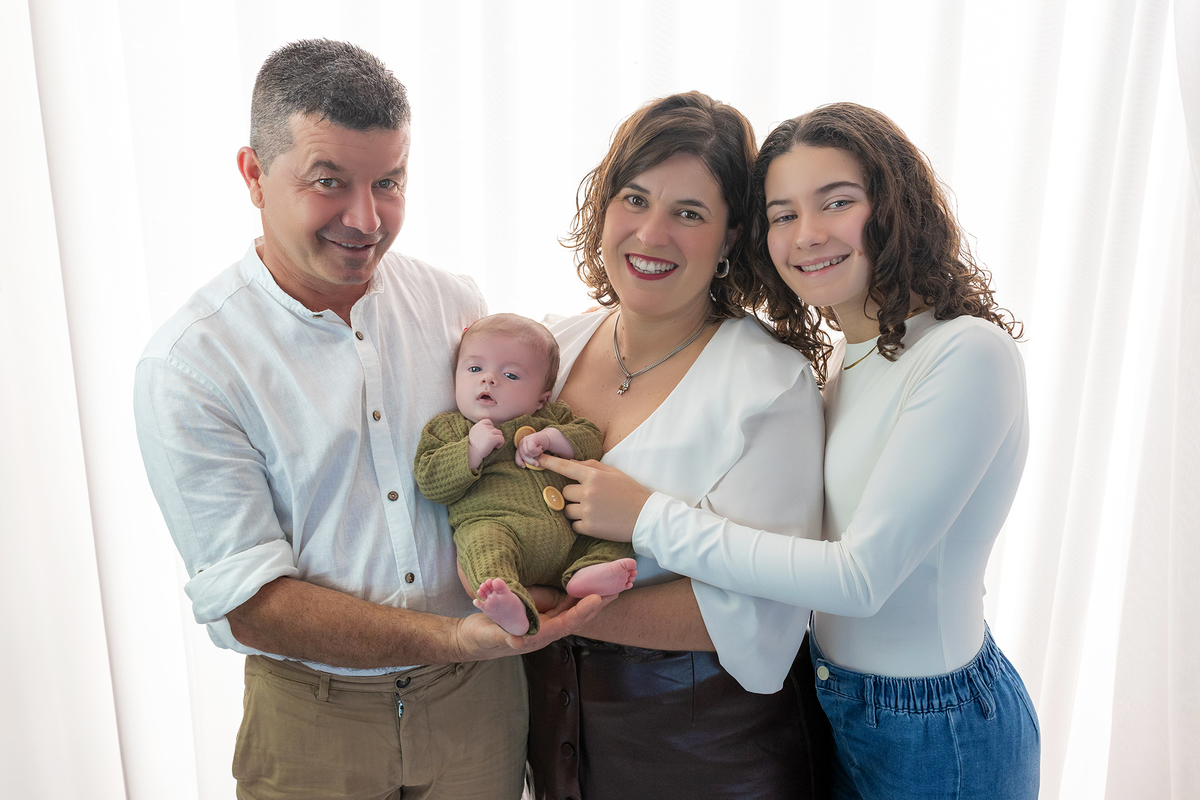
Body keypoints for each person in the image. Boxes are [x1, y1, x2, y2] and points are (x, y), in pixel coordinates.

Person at [133, 40, 601, 800]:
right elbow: (253, 605)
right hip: (311, 718)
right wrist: (453, 635)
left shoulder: (456, 304)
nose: (366, 219)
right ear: (253, 175)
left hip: (477, 705)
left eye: (389, 181)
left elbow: (510, 456)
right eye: (329, 182)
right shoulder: (191, 366)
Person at [543, 102, 1041, 799]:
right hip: (837, 700)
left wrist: (647, 516)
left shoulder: (966, 353)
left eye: (835, 202)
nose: (807, 235)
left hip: (935, 721)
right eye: (783, 213)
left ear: (895, 206)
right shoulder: (850, 353)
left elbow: (862, 580)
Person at [521, 92, 833, 800]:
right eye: (634, 199)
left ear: (730, 239)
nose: (651, 233)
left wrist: (546, 610)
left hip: (706, 749)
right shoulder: (554, 348)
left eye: (689, 214)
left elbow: (768, 607)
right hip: (555, 735)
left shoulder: (768, 385)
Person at [414, 313, 637, 636]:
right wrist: (471, 451)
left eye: (510, 375)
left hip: (570, 531)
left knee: (618, 530)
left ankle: (589, 571)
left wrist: (552, 439)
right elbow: (431, 482)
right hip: (499, 527)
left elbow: (590, 439)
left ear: (541, 399)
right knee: (482, 547)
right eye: (475, 369)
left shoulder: (553, 417)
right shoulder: (448, 428)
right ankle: (508, 602)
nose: (488, 380)